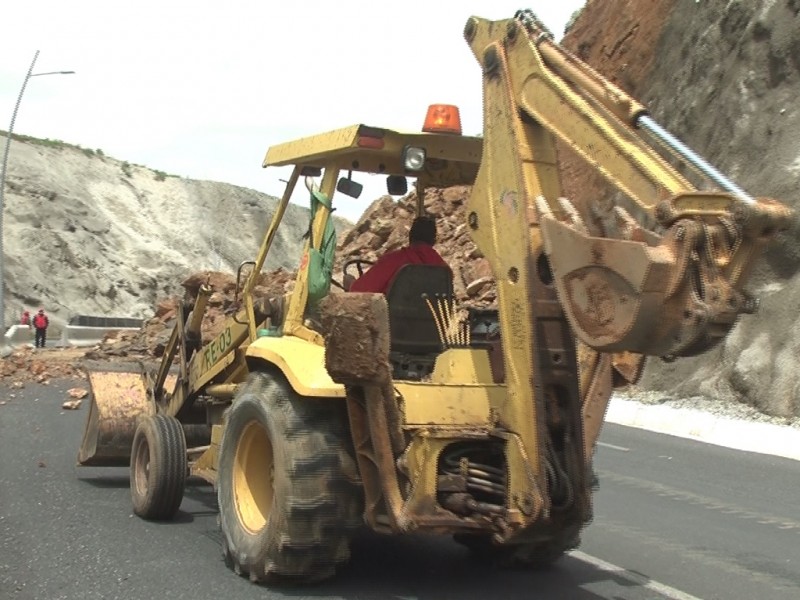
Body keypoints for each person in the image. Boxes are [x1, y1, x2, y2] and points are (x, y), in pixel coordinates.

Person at [349, 216, 450, 294]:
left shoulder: (391, 260)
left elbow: (360, 291)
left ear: (410, 236)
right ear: (433, 240)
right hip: (430, 319)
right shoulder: (444, 270)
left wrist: (350, 282)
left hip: (390, 319)